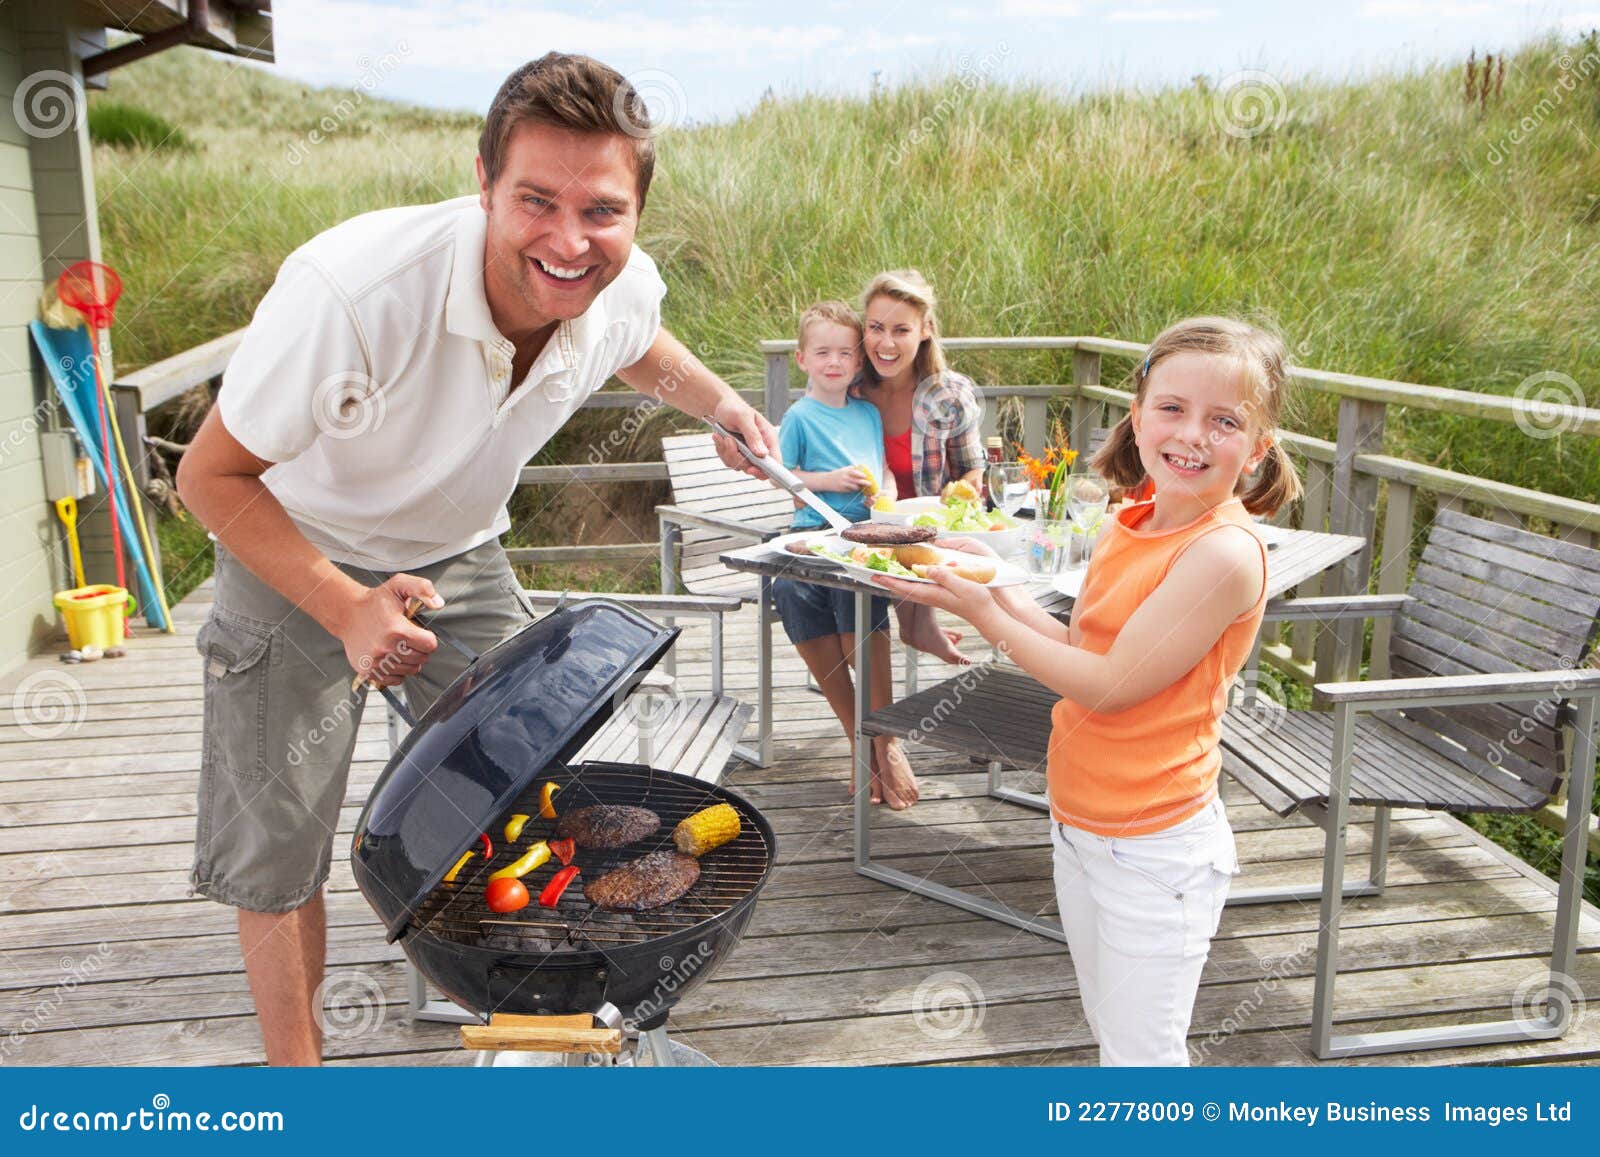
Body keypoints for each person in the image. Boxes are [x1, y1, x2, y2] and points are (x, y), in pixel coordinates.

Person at [175, 52, 777, 1066]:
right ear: (484, 182)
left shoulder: (613, 281)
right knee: (273, 846)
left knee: (534, 784)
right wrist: (344, 604)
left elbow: (640, 341)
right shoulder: (354, 294)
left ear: (635, 212)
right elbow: (208, 478)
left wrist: (717, 404)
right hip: (293, 549)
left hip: (460, 551)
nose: (569, 239)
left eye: (602, 209)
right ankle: (298, 1083)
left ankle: (543, 1011)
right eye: (536, 200)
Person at [876, 317, 1303, 1065]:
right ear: (1137, 418)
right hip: (1079, 823)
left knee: (1144, 1060)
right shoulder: (1126, 520)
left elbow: (1108, 688)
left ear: (1257, 449)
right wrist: (989, 575)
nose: (1192, 434)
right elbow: (1084, 645)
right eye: (1171, 408)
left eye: (1225, 420)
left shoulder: (1222, 554)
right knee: (1115, 1039)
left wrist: (976, 609)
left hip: (1156, 849)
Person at [771, 302, 917, 809]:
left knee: (860, 598)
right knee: (789, 589)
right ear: (802, 359)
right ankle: (860, 742)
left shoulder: (867, 414)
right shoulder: (799, 417)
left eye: (844, 354)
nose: (834, 362)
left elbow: (884, 471)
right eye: (822, 353)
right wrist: (827, 482)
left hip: (863, 533)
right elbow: (784, 478)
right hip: (812, 531)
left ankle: (886, 741)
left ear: (858, 363)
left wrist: (888, 494)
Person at [851, 270, 983, 667]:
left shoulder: (949, 393)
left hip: (928, 532)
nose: (885, 343)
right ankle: (914, 629)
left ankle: (918, 625)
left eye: (901, 330)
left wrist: (965, 490)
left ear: (925, 330)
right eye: (875, 328)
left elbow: (972, 471)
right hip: (859, 528)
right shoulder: (849, 389)